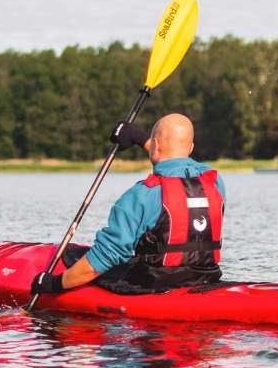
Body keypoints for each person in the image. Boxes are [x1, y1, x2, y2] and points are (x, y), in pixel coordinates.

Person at [31, 113, 226, 295]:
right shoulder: (215, 183)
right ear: (190, 149)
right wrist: (137, 137)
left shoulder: (141, 195)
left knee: (75, 256)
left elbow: (105, 257)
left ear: (155, 146)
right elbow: (184, 163)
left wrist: (54, 284)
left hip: (154, 285)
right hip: (206, 277)